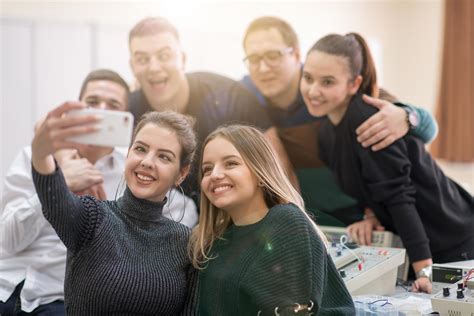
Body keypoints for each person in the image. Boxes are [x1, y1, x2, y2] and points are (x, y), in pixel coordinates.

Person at [0, 70, 198, 315]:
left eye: (112, 106)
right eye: (92, 103)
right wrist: (58, 177)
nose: (100, 112)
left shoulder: (167, 212)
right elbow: (8, 239)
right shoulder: (39, 159)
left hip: (55, 299)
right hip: (7, 283)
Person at [299, 32, 474, 293]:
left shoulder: (367, 120)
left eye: (327, 82)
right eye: (308, 78)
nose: (313, 90)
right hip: (427, 243)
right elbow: (368, 183)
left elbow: (398, 197)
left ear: (353, 83)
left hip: (454, 238)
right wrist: (369, 214)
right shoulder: (327, 132)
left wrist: (424, 269)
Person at [240, 16, 439, 222]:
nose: (263, 68)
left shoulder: (338, 91)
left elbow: (428, 128)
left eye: (273, 55)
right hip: (316, 223)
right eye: (254, 59)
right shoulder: (244, 98)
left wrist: (407, 116)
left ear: (296, 54)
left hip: (374, 216)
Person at [128, 16, 297, 204]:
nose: (154, 67)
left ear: (182, 59)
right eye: (142, 59)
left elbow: (279, 175)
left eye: (164, 56)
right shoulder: (127, 110)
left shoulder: (230, 97)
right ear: (132, 66)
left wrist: (290, 223)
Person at [190, 125, 355, 315]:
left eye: (231, 163)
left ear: (261, 173)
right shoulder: (215, 240)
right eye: (207, 169)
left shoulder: (285, 221)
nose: (215, 175)